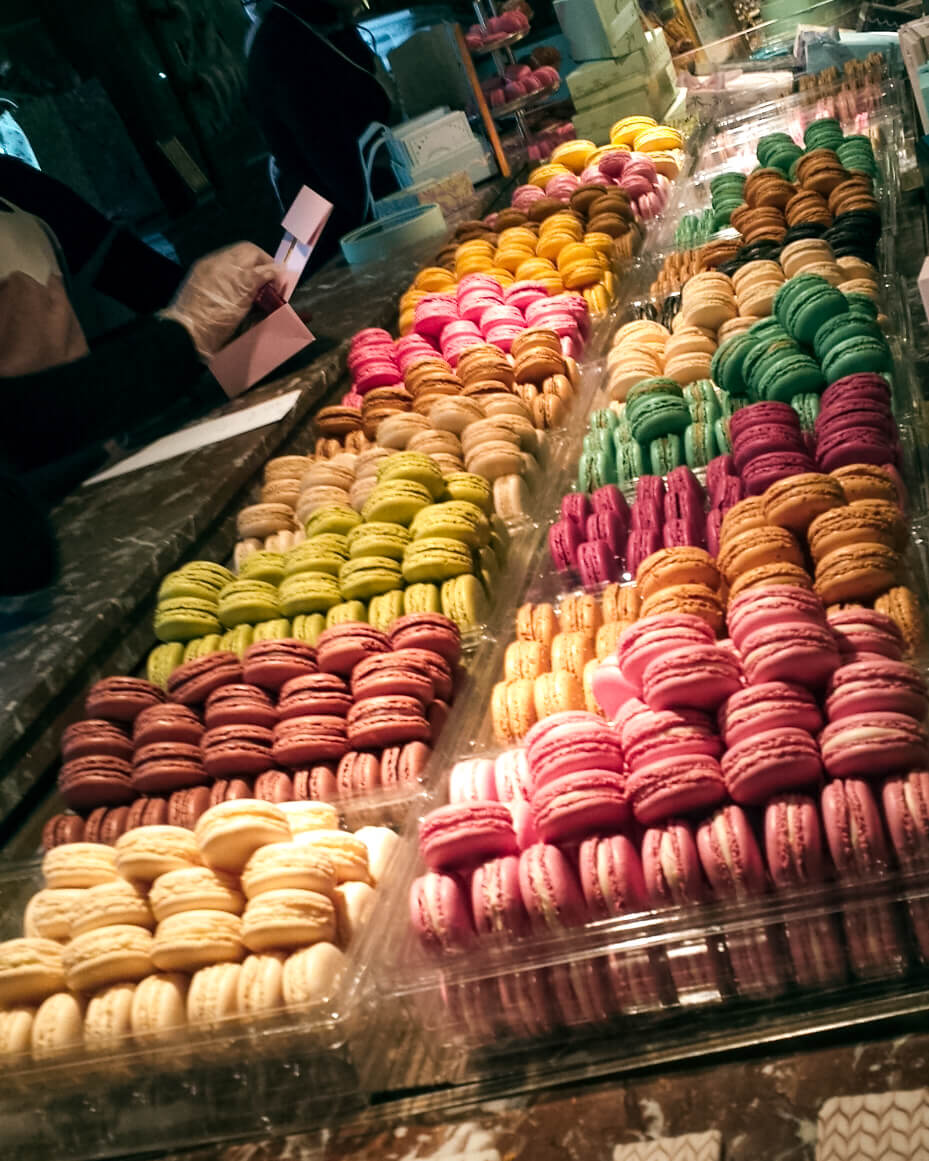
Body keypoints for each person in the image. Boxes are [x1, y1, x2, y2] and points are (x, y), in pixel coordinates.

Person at [0, 156, 283, 596]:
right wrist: (182, 334)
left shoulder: (11, 180)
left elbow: (139, 276)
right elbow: (11, 423)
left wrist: (228, 302)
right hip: (36, 535)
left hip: (118, 470)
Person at [246, 0, 393, 269]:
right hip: (313, 209)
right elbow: (331, 155)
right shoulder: (279, 45)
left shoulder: (328, 21)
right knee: (319, 289)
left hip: (346, 188)